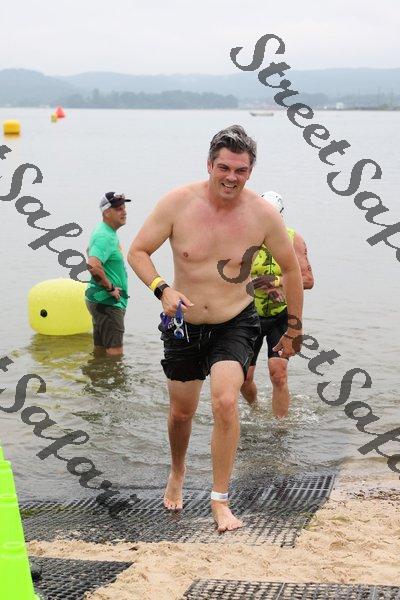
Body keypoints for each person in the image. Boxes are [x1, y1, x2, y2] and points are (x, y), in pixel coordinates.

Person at [128, 125, 303, 532]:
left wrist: (294, 329)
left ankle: (220, 499)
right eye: (224, 167)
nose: (231, 177)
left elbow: (292, 269)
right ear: (209, 165)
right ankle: (177, 471)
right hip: (183, 323)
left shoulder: (262, 214)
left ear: (250, 171)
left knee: (225, 401)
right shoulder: (177, 203)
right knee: (181, 413)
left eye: (240, 170)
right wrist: (162, 289)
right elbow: (137, 251)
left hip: (234, 321)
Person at [241, 191, 314, 417]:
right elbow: (225, 279)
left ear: (281, 217)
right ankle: (255, 409)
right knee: (244, 378)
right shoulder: (243, 238)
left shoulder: (293, 239)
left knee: (278, 373)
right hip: (249, 315)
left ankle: (280, 429)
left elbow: (308, 280)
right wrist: (256, 283)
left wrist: (277, 281)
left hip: (280, 315)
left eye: (273, 217)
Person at [86, 192, 131, 356]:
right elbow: (93, 266)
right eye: (119, 209)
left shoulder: (104, 231)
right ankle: (113, 374)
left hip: (99, 300)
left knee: (100, 352)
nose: (124, 211)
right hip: (108, 304)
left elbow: (89, 251)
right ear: (106, 212)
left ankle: (97, 372)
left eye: (124, 207)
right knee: (115, 356)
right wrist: (110, 287)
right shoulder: (104, 236)